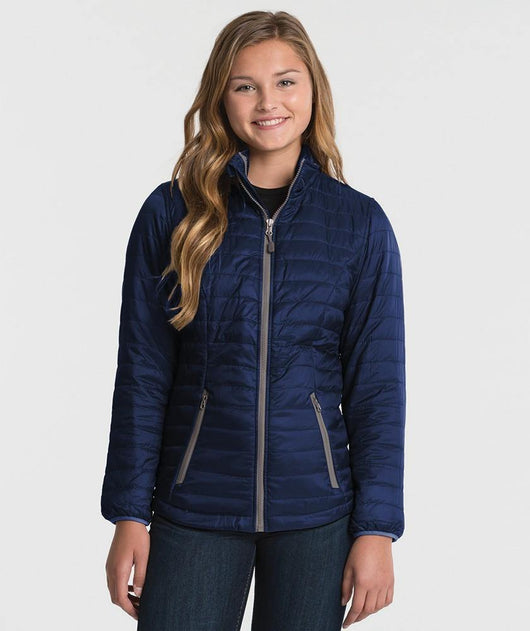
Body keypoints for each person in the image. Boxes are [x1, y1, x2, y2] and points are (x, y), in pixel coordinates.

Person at [101, 10, 406, 631]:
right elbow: (142, 374)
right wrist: (129, 514)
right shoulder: (173, 214)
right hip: (195, 505)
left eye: (285, 81)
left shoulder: (358, 224)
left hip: (316, 514)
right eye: (246, 86)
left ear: (313, 89)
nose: (268, 102)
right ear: (222, 96)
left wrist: (377, 528)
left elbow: (377, 387)